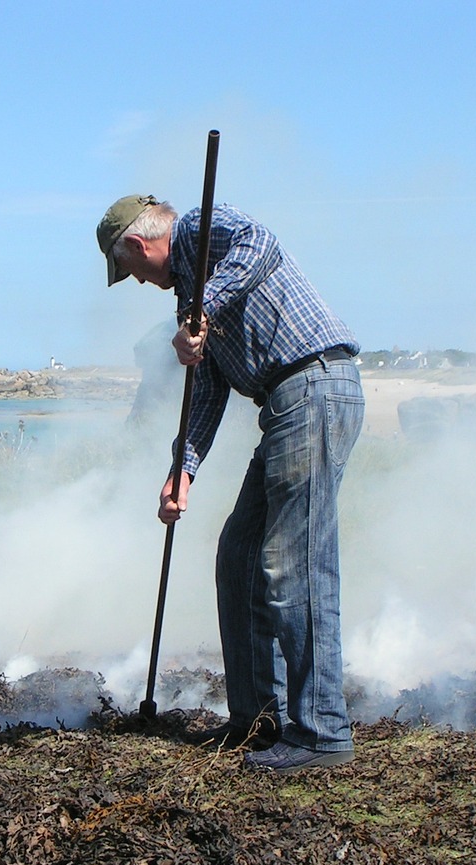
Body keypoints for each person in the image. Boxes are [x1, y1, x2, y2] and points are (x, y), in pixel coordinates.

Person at [96, 194, 365, 773]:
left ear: (140, 247)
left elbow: (261, 244)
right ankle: (255, 719)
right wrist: (182, 470)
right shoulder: (188, 304)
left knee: (293, 562)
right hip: (286, 406)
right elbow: (210, 391)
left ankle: (322, 732)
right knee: (238, 554)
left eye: (132, 271)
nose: (141, 283)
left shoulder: (197, 230)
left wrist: (204, 308)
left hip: (314, 386)